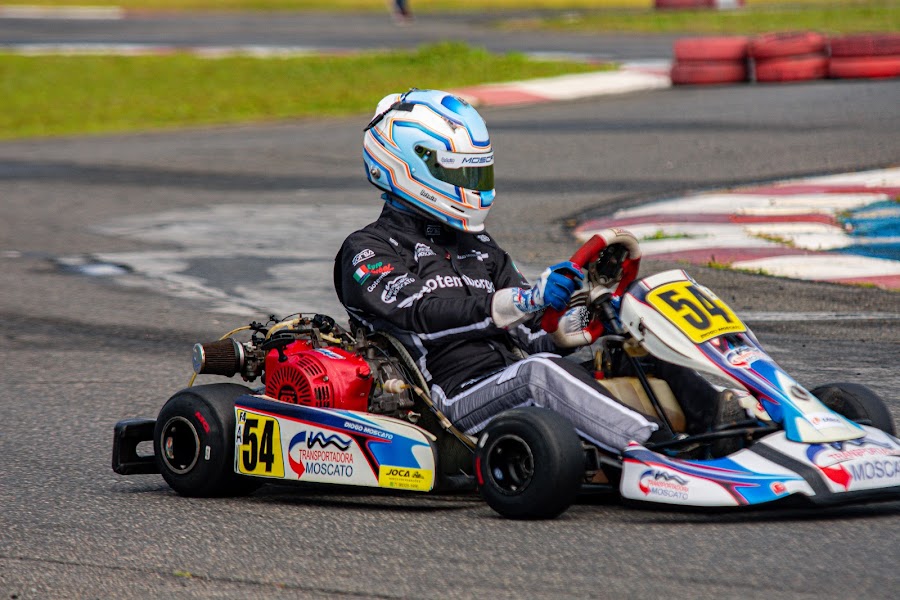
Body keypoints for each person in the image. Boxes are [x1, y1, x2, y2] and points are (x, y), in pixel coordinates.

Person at [334, 89, 727, 454]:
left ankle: (730, 428)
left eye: (476, 175)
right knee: (538, 373)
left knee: (635, 345)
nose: (472, 187)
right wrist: (523, 299)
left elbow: (536, 334)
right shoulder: (368, 249)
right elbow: (422, 316)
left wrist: (596, 309)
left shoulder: (479, 247)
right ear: (406, 167)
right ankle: (661, 451)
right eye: (460, 175)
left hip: (512, 377)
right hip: (450, 403)